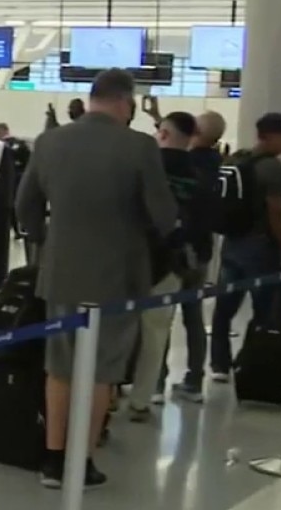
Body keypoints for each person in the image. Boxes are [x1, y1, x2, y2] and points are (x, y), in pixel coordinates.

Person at [15, 69, 176, 489]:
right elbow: (164, 215)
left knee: (60, 365)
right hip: (118, 277)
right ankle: (82, 461)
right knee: (103, 370)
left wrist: (44, 242)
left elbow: (25, 204)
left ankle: (52, 458)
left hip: (62, 270)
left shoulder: (51, 141)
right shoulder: (139, 146)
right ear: (125, 103)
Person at [210, 112, 281, 382]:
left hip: (232, 244)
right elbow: (274, 214)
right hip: (260, 248)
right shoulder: (272, 168)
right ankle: (247, 363)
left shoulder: (237, 158)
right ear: (268, 136)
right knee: (264, 312)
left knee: (224, 309)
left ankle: (220, 366)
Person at [127, 111, 202, 422]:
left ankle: (110, 392)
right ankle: (143, 398)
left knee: (120, 330)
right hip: (172, 262)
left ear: (165, 134)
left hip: (132, 258)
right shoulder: (198, 173)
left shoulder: (144, 166)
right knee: (156, 333)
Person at [169, 110, 226, 401]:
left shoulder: (185, 165)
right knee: (193, 317)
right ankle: (194, 378)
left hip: (177, 249)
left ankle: (154, 382)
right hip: (203, 249)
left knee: (162, 316)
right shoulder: (220, 164)